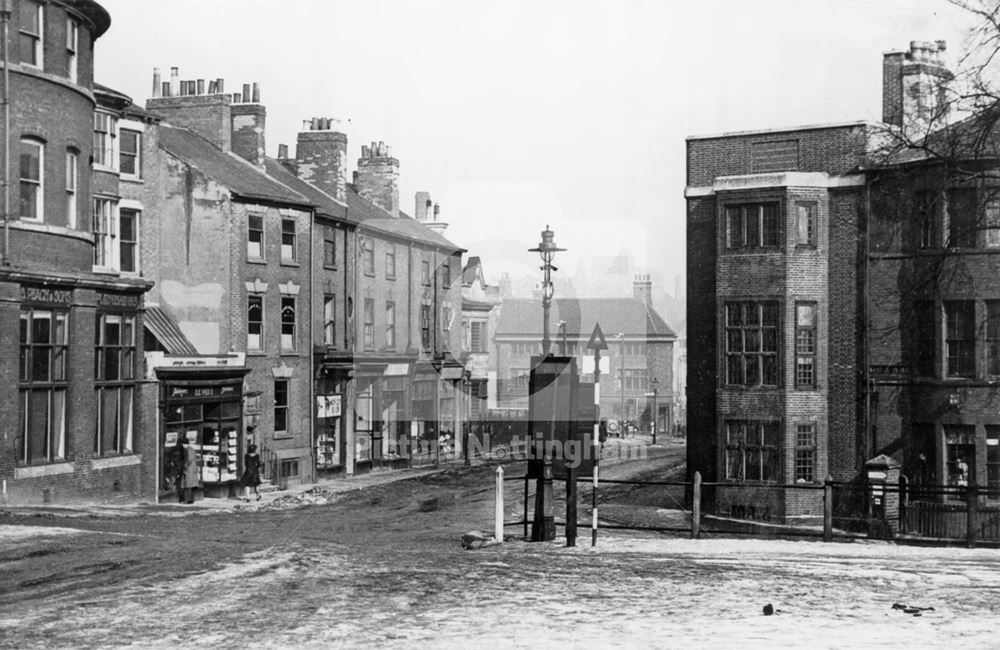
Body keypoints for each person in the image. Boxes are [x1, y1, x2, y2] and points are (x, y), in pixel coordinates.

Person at [182, 437, 201, 504]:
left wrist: (185, 466)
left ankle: (188, 500)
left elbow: (189, 460)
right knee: (191, 485)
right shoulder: (192, 449)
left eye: (183, 444)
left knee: (188, 484)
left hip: (189, 469)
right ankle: (191, 499)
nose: (183, 446)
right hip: (193, 468)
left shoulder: (188, 450)